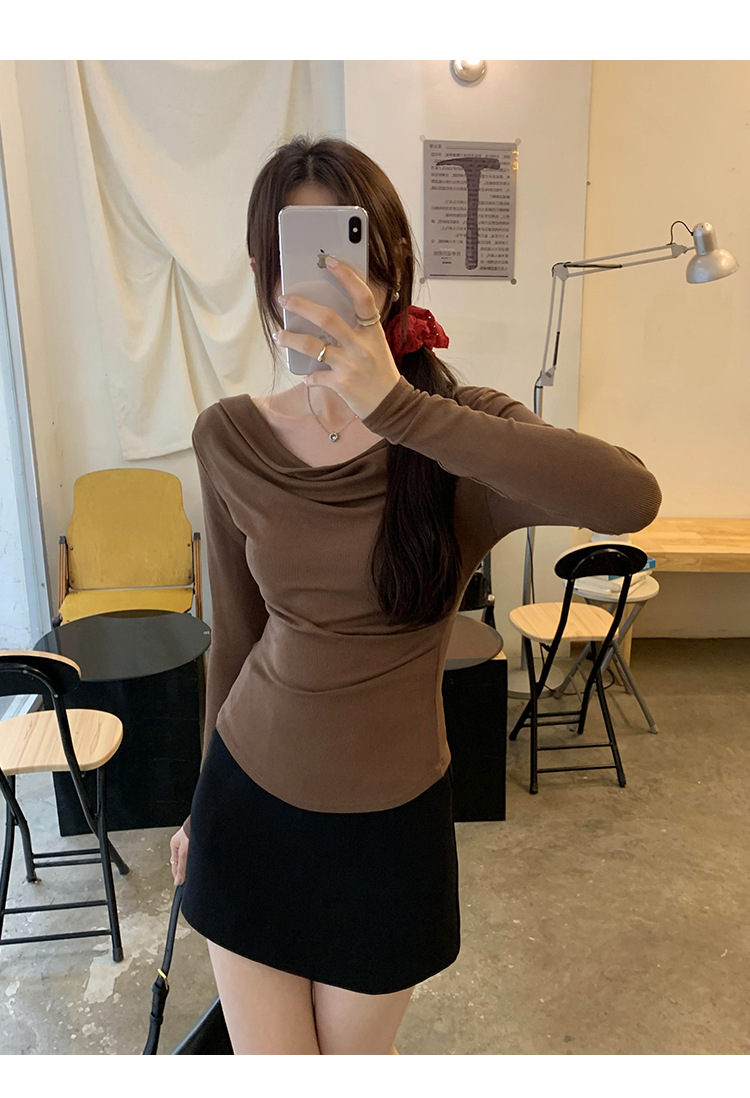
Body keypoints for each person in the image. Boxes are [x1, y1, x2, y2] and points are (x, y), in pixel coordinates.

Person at [168, 135, 663, 1055]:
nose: (322, 277)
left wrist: (395, 408)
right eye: (295, 253)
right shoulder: (230, 437)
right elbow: (234, 633)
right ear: (263, 275)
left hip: (389, 830)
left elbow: (629, 498)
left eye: (342, 246)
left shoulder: (457, 434)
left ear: (390, 265)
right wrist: (200, 802)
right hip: (248, 806)